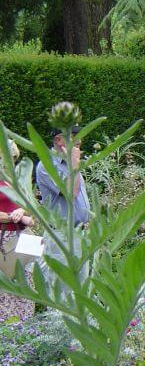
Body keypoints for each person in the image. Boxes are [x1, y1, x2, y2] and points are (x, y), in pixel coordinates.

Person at [35, 126, 90, 283]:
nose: (79, 140)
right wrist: (74, 163)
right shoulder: (46, 166)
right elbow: (71, 193)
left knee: (81, 290)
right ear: (59, 140)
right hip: (62, 237)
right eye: (74, 136)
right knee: (65, 291)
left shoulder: (70, 163)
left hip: (80, 234)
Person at [0, 141, 35, 321]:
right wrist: (11, 216)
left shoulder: (17, 178)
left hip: (24, 234)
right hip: (3, 236)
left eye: (12, 157)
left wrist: (22, 211)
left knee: (26, 277)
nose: (10, 161)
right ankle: (7, 331)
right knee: (5, 281)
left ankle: (27, 325)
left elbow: (29, 204)